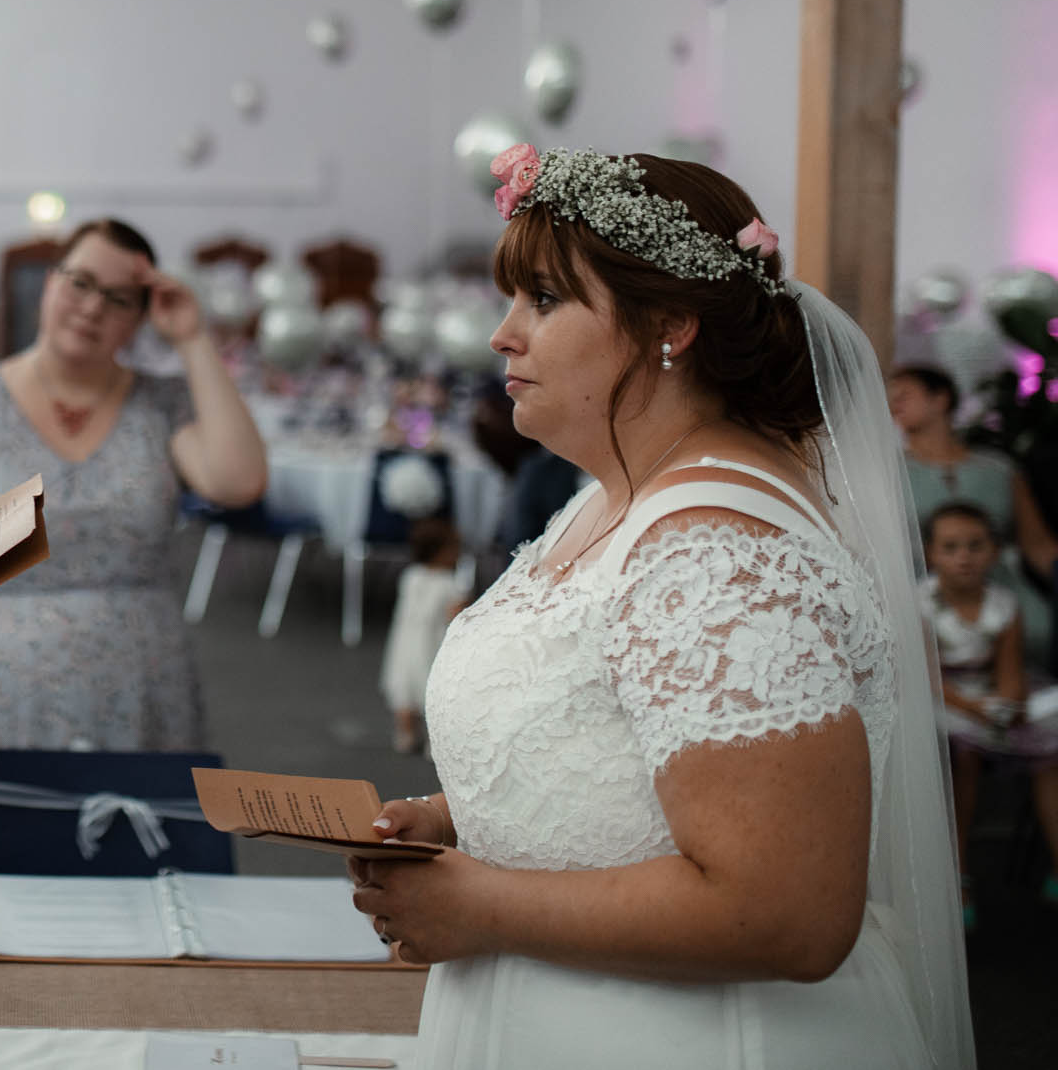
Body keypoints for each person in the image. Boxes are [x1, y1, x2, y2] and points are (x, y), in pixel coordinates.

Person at [348, 146, 973, 1070]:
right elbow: (624, 739)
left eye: (546, 301)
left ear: (669, 326)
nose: (502, 335)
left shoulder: (717, 552)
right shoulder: (621, 494)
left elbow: (789, 909)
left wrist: (480, 902)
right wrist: (467, 814)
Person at [0, 217, 267, 867]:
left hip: (145, 692)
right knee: (14, 885)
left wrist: (194, 339)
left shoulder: (163, 402)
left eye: (120, 298)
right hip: (5, 692)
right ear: (50, 282)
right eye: (81, 281)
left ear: (141, 316)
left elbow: (239, 481)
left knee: (148, 874)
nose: (92, 306)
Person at [920, 501, 1058, 922]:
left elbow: (1011, 671)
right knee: (962, 759)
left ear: (995, 551)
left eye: (976, 545)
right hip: (941, 700)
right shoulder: (920, 604)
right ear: (930, 553)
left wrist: (1009, 703)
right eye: (951, 547)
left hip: (986, 694)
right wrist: (977, 709)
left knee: (1049, 755)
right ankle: (959, 874)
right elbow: (924, 677)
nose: (964, 556)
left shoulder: (1003, 603)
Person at [891, 362, 1057, 666]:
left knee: (1038, 630)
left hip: (1001, 587)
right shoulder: (889, 471)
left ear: (940, 400)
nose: (893, 402)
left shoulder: (998, 468)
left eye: (904, 394)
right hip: (927, 596)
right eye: (889, 396)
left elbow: (1038, 544)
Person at [378, 516, 465, 755]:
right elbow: (455, 615)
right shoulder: (449, 584)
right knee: (431, 694)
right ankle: (433, 743)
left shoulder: (411, 576)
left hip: (405, 645)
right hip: (432, 646)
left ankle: (405, 734)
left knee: (405, 693)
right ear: (441, 552)